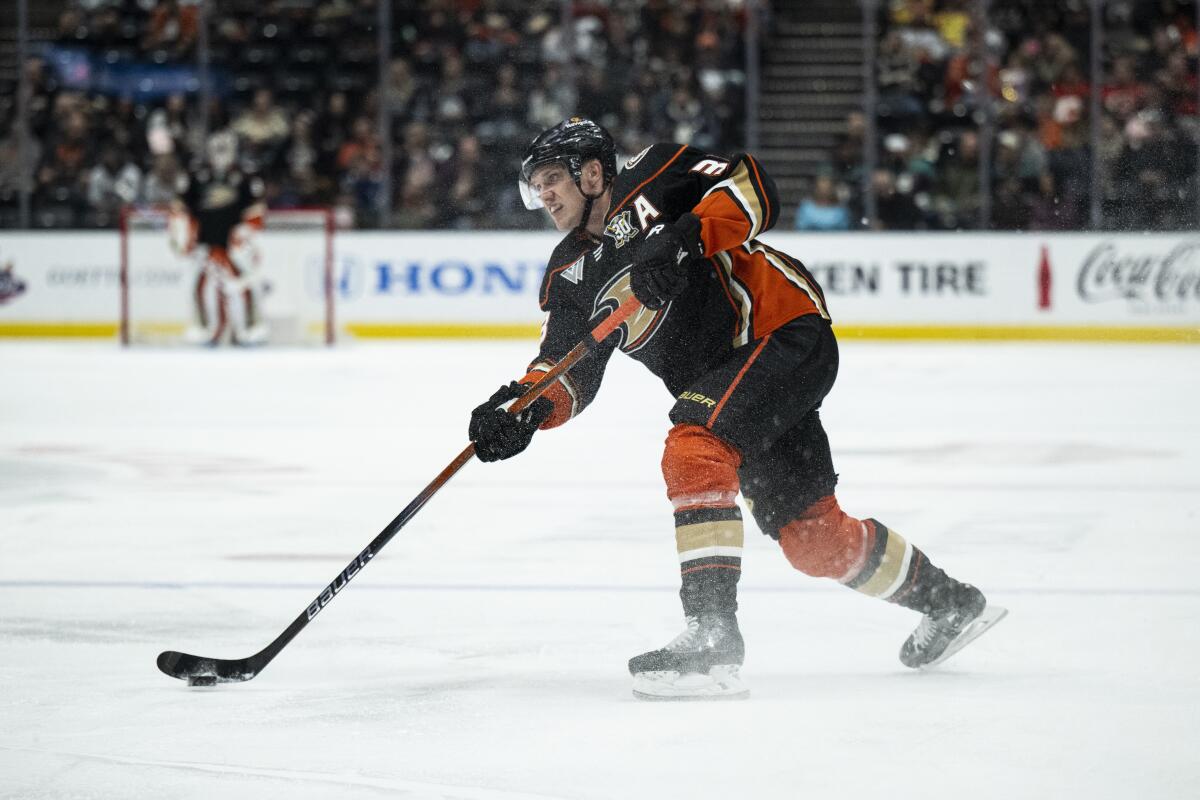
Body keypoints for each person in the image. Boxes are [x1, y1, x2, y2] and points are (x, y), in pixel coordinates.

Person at [468, 117, 1005, 700]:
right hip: (734, 384)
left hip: (781, 333)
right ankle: (954, 605)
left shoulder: (655, 174)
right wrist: (520, 409)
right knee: (813, 541)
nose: (543, 194)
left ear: (592, 172)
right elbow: (570, 368)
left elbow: (754, 187)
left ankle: (712, 635)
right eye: (536, 184)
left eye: (552, 179)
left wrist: (687, 236)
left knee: (693, 445)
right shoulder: (569, 276)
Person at [172, 133, 268, 346]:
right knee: (201, 288)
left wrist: (245, 234)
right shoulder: (197, 176)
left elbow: (257, 211)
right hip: (204, 245)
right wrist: (182, 234)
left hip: (234, 247)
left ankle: (246, 328)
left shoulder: (245, 177)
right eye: (217, 148)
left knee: (242, 286)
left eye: (225, 148)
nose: (221, 154)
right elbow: (180, 207)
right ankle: (206, 329)